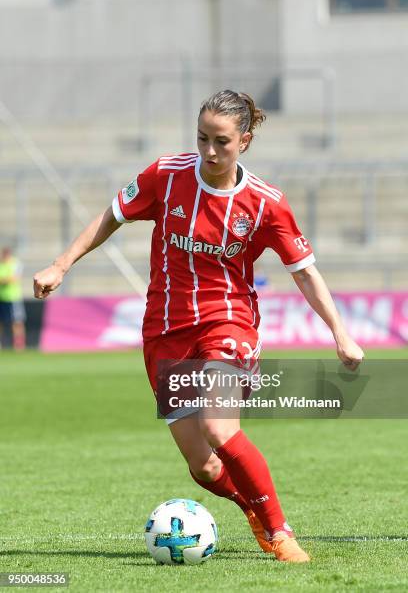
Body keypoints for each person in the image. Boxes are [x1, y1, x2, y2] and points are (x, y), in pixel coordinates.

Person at [33, 90, 364, 563]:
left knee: (218, 426)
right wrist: (61, 265)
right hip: (164, 332)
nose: (210, 151)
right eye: (202, 138)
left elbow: (305, 271)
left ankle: (278, 532)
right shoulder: (166, 176)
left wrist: (340, 333)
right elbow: (112, 214)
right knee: (205, 467)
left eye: (222, 142)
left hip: (229, 322)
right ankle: (253, 506)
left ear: (245, 141)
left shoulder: (265, 204)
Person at [0, 246, 26, 350]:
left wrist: (3, 280)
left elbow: (14, 278)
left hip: (13, 298)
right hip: (1, 298)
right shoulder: (1, 264)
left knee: (17, 322)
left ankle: (19, 345)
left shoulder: (16, 263)